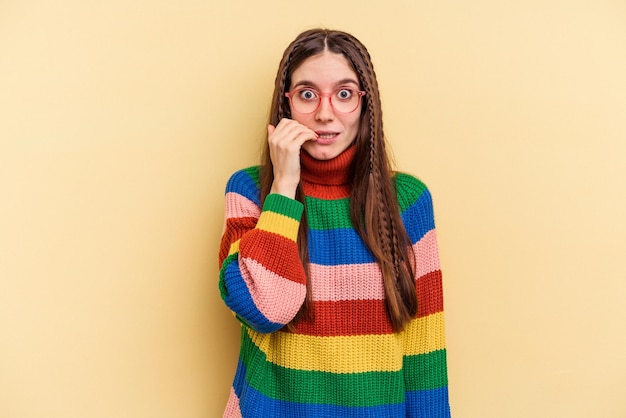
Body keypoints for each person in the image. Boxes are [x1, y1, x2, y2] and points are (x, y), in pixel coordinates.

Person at [218, 28, 451, 417]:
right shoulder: (250, 192)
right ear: (286, 104)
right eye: (307, 94)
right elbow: (265, 310)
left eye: (344, 94)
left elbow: (424, 347)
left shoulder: (407, 201)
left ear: (365, 103)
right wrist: (284, 186)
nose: (325, 113)